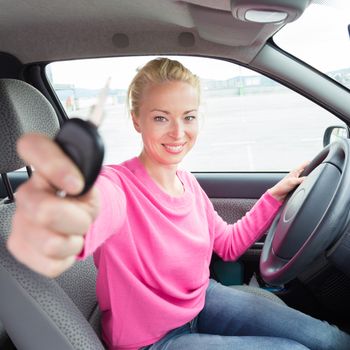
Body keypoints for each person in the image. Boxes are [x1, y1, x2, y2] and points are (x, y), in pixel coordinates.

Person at [7, 58, 350, 350]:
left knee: (329, 339)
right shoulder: (115, 186)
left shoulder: (186, 181)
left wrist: (275, 196)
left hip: (202, 300)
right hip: (152, 342)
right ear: (136, 120)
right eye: (160, 117)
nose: (177, 132)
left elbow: (228, 245)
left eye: (188, 116)